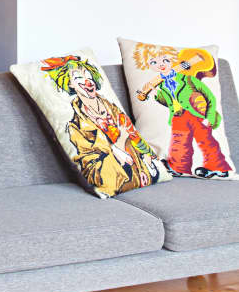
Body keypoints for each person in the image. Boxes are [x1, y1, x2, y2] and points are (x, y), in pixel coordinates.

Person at [42, 55, 158, 195]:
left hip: (142, 170)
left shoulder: (113, 109)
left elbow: (134, 137)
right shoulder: (76, 127)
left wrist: (147, 157)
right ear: (70, 84)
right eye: (78, 78)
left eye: (88, 76)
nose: (87, 81)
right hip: (121, 177)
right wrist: (118, 145)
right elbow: (94, 169)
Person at [134, 43, 232, 178]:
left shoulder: (188, 79)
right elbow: (168, 102)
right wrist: (156, 94)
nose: (160, 64)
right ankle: (178, 167)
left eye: (165, 60)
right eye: (154, 62)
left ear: (173, 62)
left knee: (205, 139)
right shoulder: (162, 84)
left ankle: (217, 167)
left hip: (196, 114)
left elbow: (210, 97)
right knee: (179, 141)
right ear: (149, 66)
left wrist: (209, 117)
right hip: (178, 116)